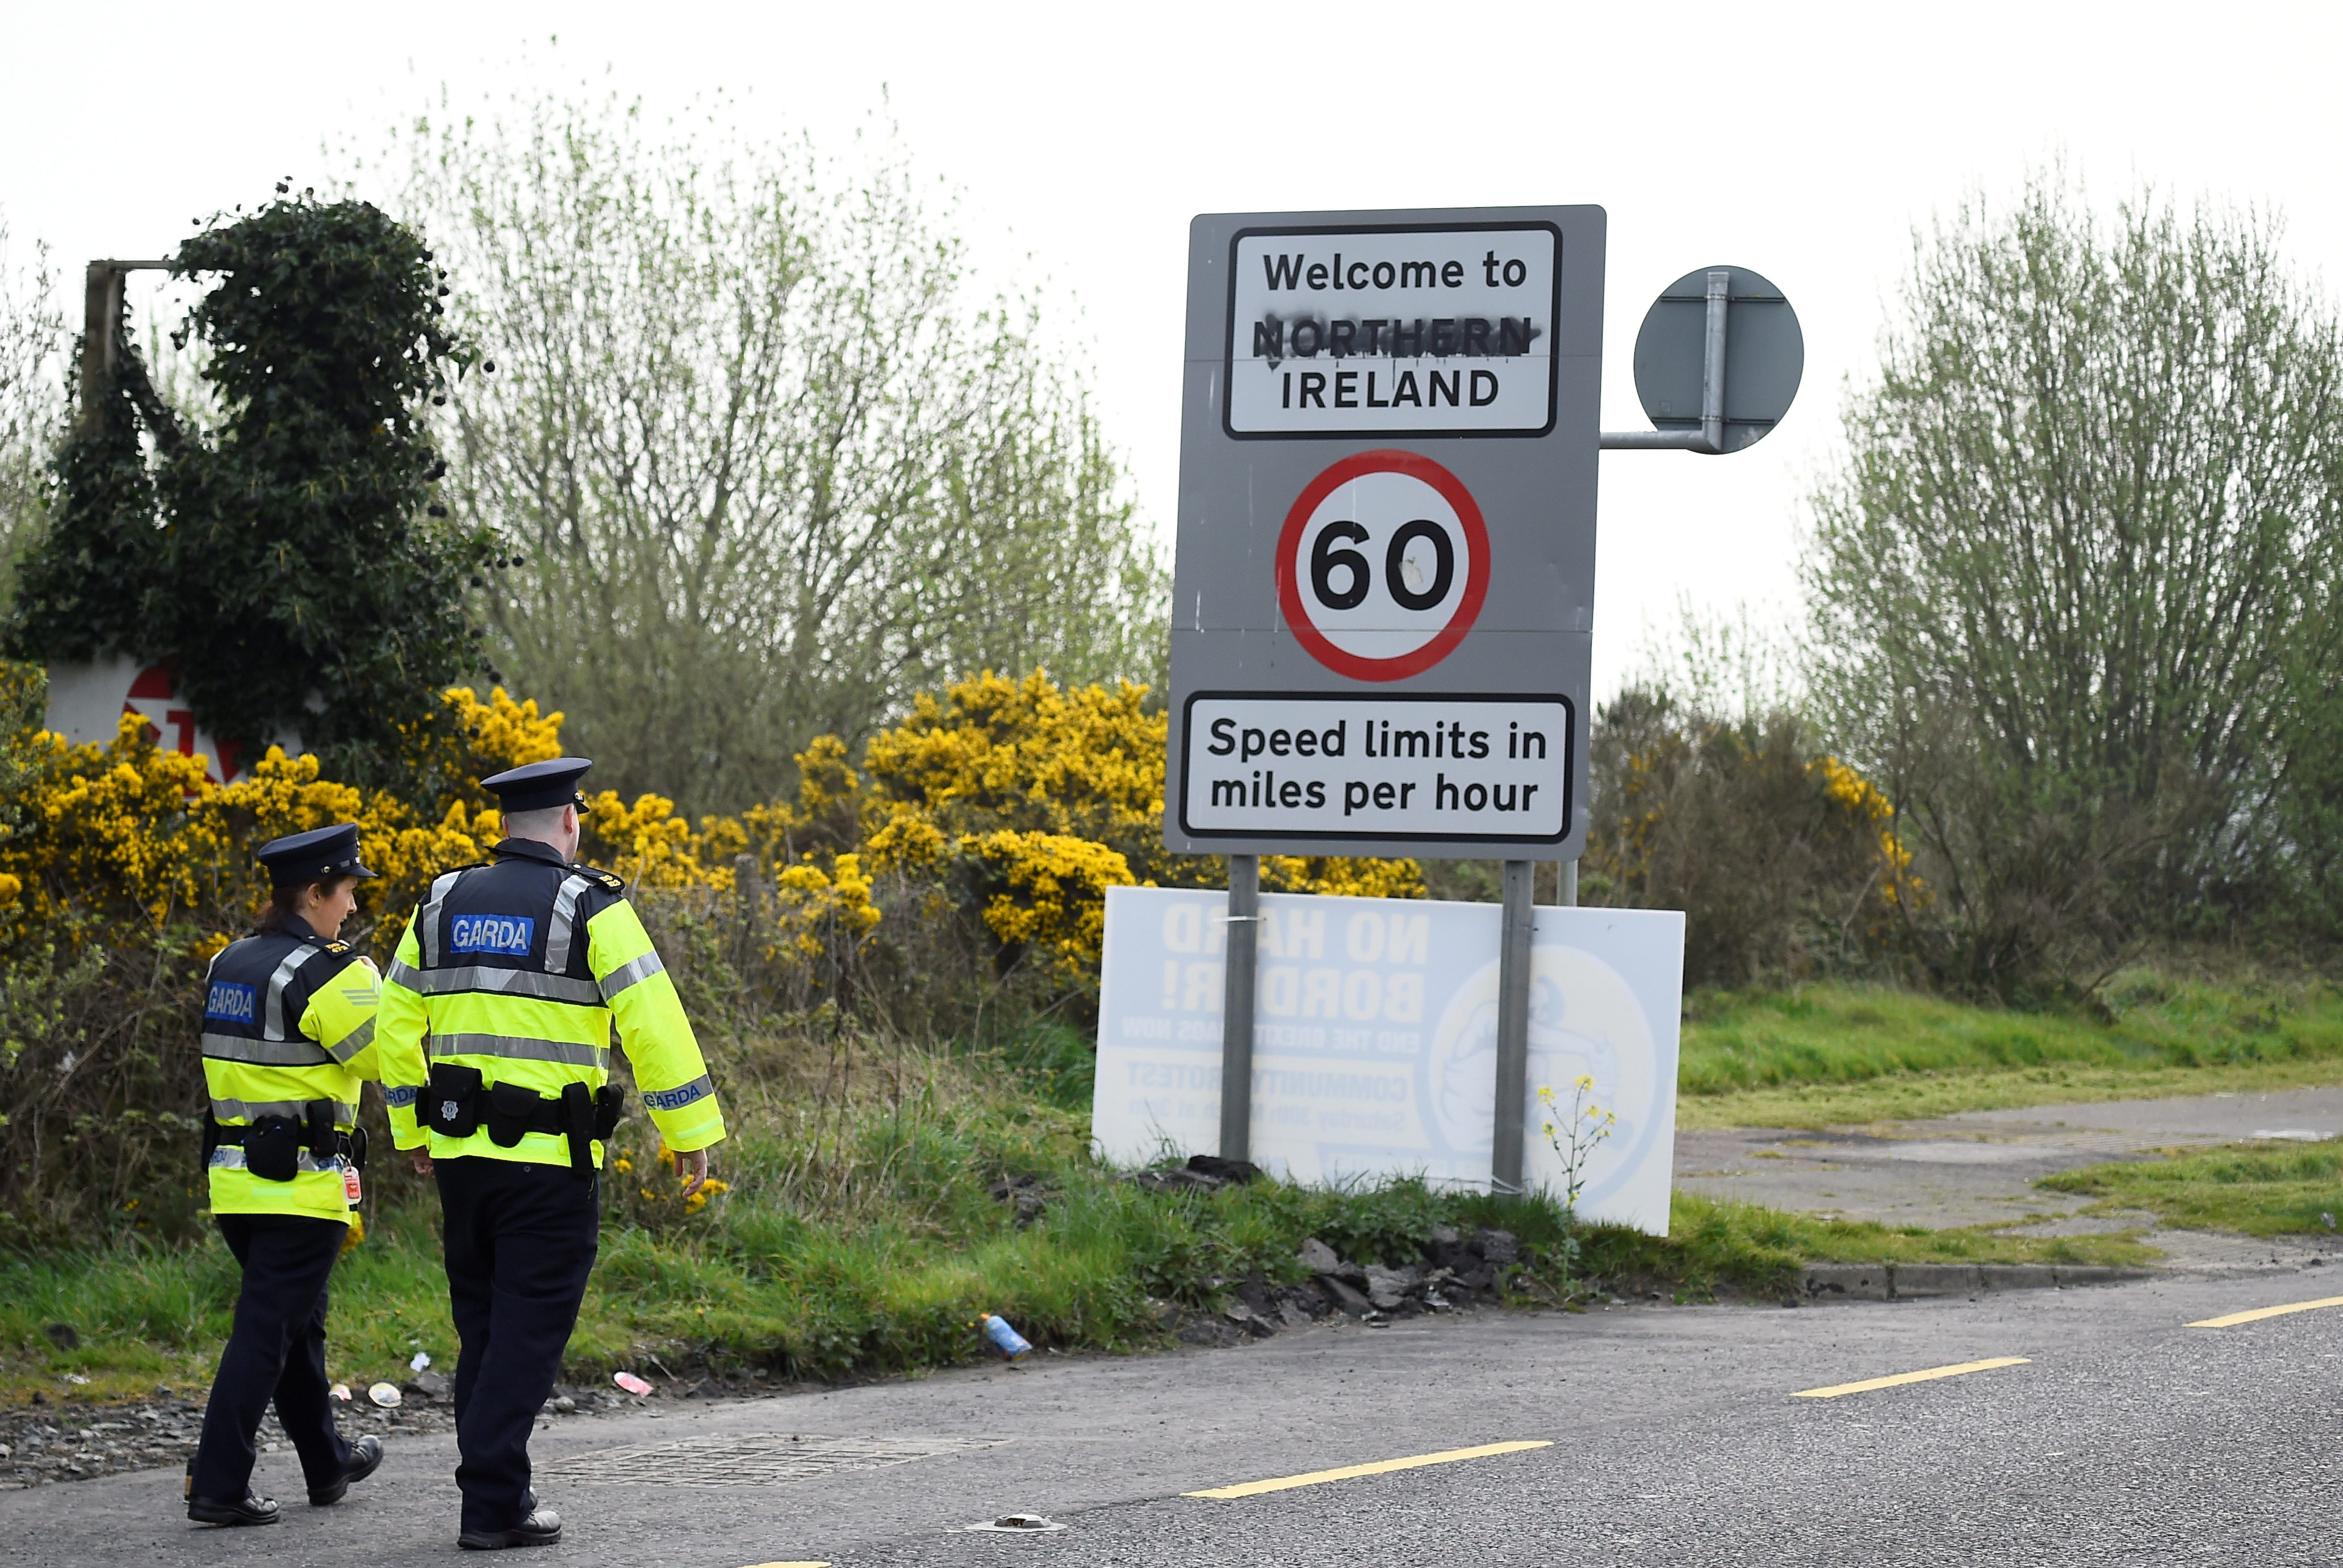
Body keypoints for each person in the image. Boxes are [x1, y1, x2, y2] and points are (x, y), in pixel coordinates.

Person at [376, 756, 726, 1551]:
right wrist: (688, 1133)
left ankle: (501, 1491)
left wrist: (412, 1131)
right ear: (570, 821)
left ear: (504, 825)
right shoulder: (590, 907)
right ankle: (492, 1501)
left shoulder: (438, 901)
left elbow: (393, 1024)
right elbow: (653, 1024)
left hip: (461, 1157)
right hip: (549, 1163)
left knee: (487, 1330)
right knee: (527, 1336)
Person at [186, 823, 388, 1527]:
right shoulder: (329, 970)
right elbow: (384, 1056)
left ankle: (326, 1460)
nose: (353, 910)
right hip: (301, 1185)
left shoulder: (228, 962)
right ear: (313, 893)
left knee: (297, 1325)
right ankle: (218, 1481)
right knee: (268, 1329)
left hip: (234, 1179)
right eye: (347, 893)